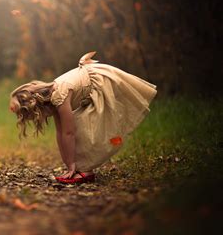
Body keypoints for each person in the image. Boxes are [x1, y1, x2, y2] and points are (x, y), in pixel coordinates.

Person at [9, 51, 157, 184]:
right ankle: (79, 169)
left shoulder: (60, 95)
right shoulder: (52, 98)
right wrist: (69, 164)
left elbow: (68, 133)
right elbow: (59, 133)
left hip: (100, 84)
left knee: (79, 126)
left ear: (36, 106)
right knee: (74, 126)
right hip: (89, 85)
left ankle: (85, 171)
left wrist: (73, 163)